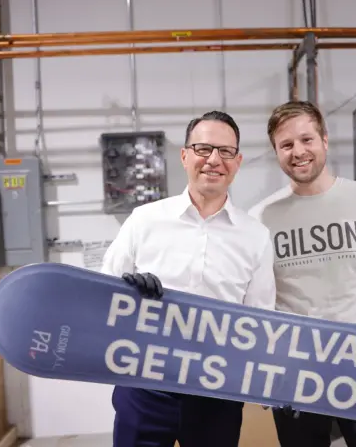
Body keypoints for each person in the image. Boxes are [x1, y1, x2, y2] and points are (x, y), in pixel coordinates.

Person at [248, 100, 356, 447]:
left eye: (306, 139)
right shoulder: (259, 219)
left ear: (324, 140)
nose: (298, 151)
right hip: (295, 373)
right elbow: (254, 301)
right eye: (286, 145)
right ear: (276, 153)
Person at [100, 110, 277, 447]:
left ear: (237, 162)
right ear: (184, 156)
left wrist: (273, 387)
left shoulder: (255, 236)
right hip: (145, 385)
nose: (214, 160)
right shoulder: (144, 221)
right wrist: (128, 289)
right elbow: (104, 293)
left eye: (225, 151)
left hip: (217, 389)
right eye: (202, 148)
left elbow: (259, 320)